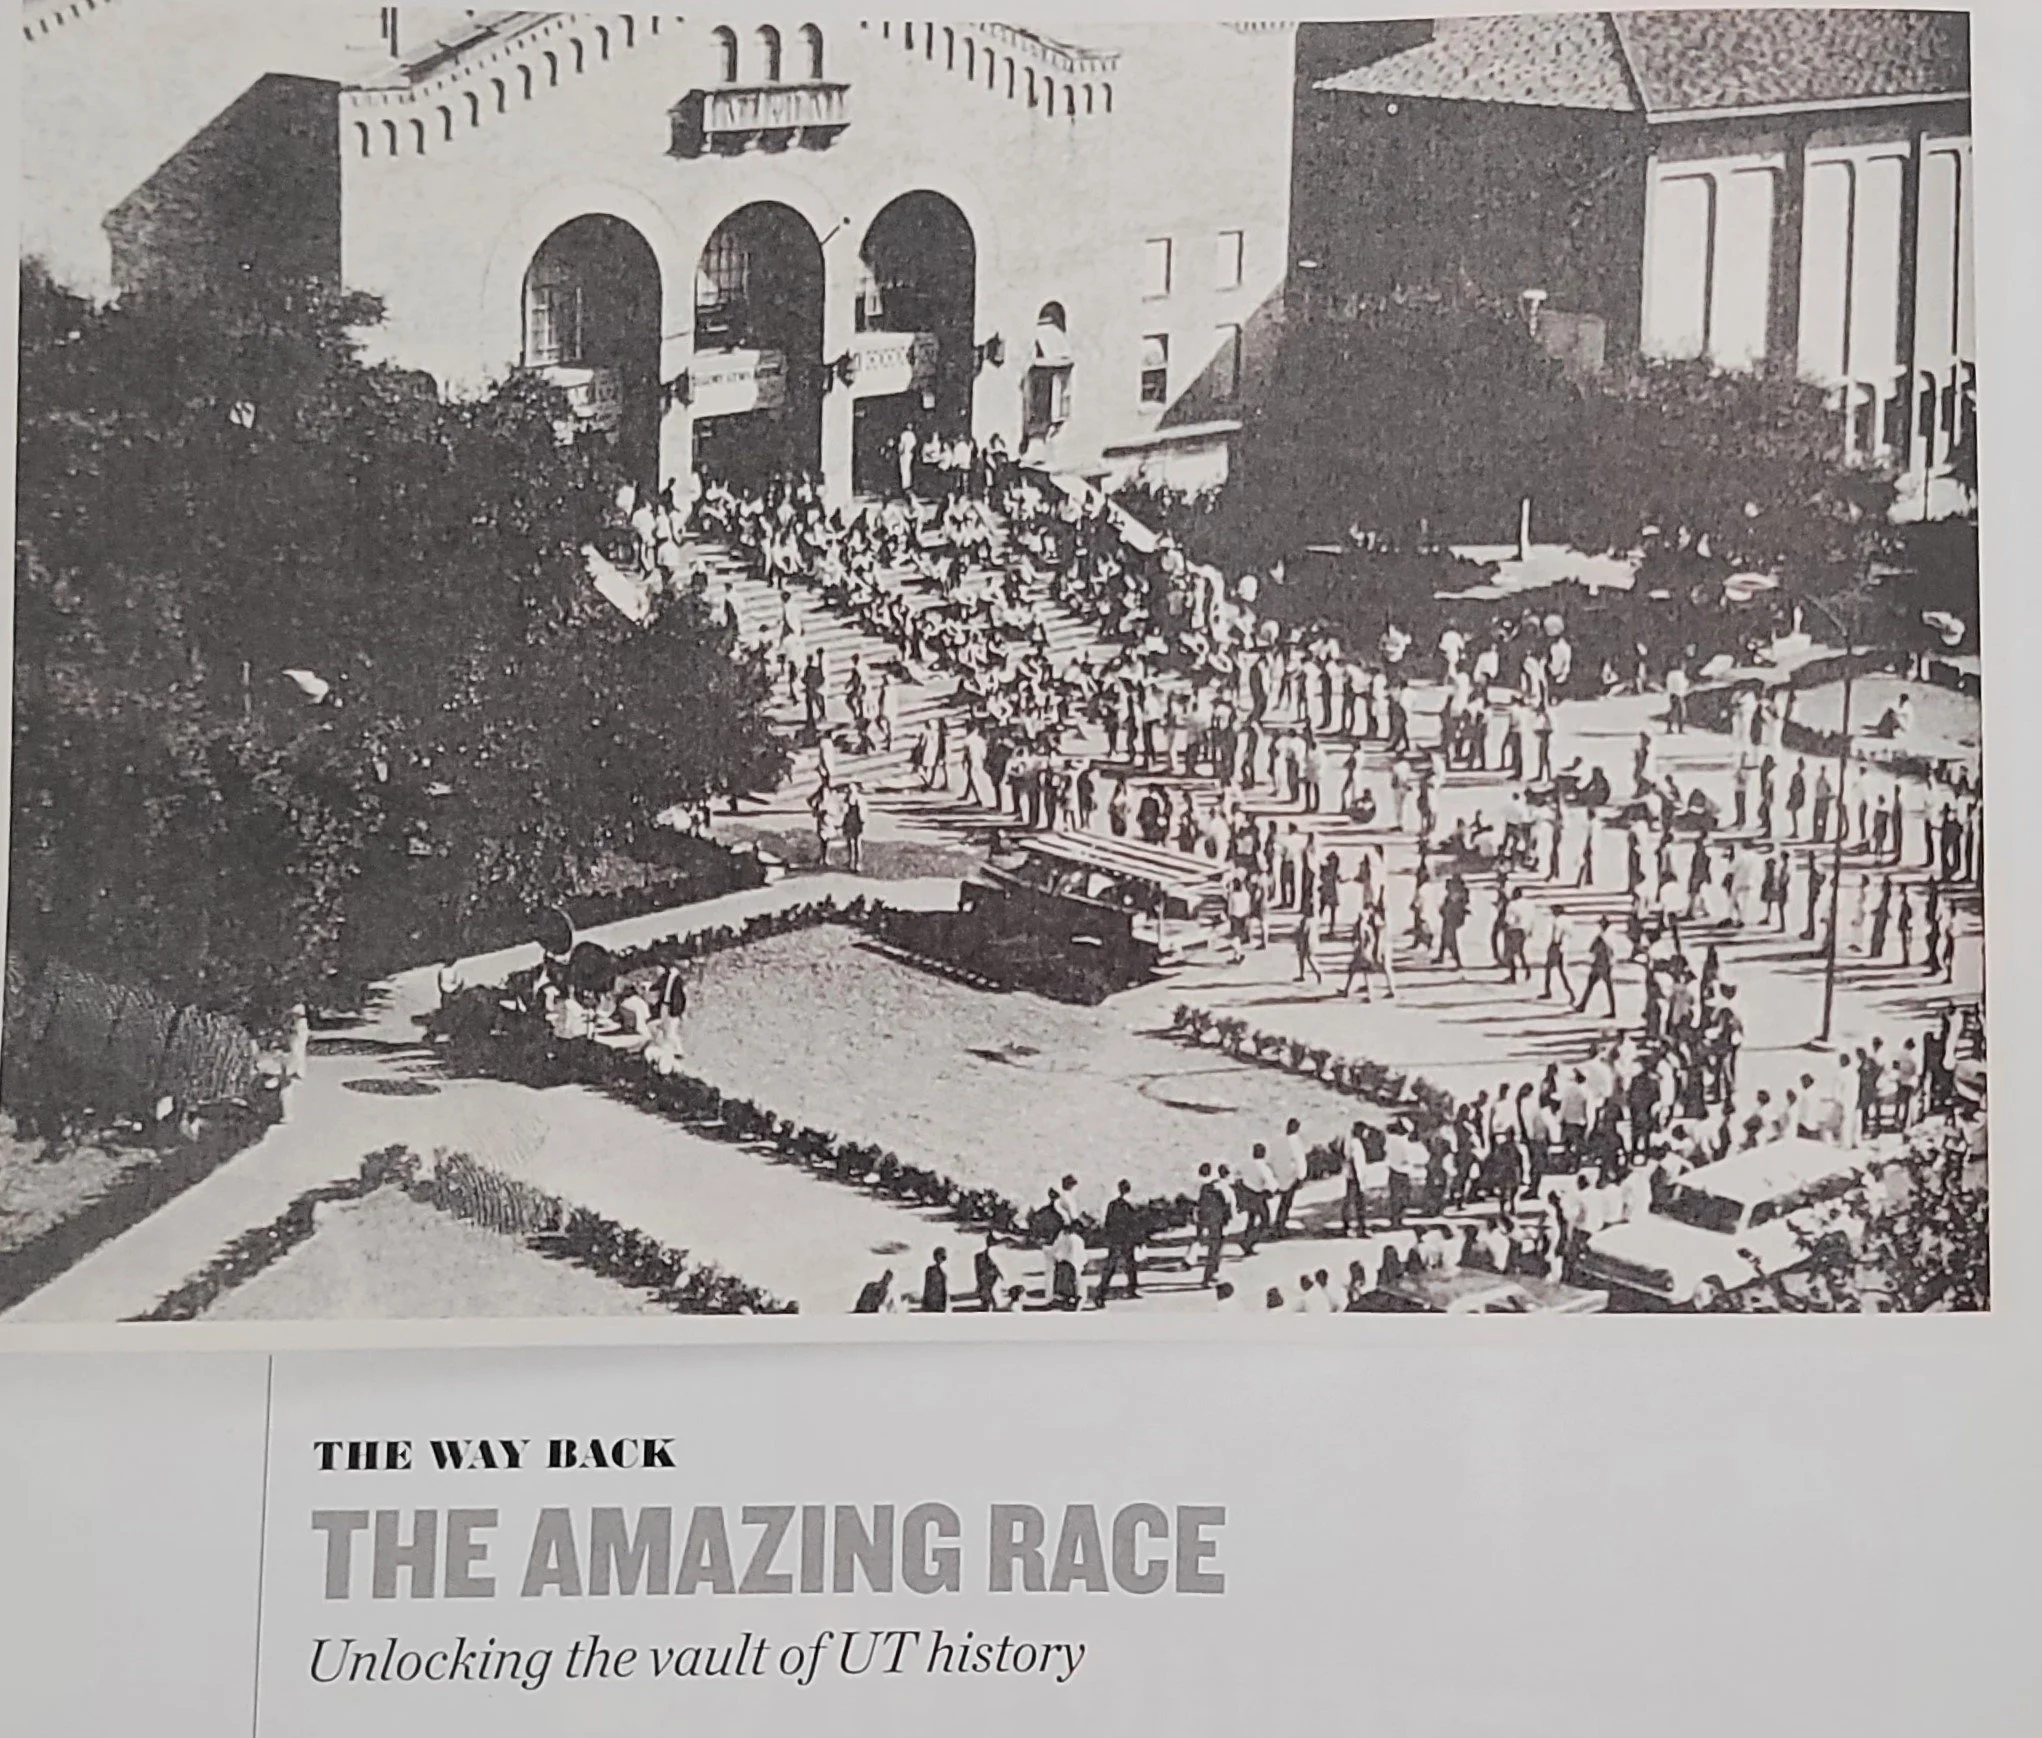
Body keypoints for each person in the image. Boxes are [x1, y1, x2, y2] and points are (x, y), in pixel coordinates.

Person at [1096, 1179, 1144, 1303]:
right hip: (1127, 1240)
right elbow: (1135, 1225)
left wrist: (1108, 1236)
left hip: (1115, 1239)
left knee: (1111, 1266)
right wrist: (1139, 1240)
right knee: (1130, 1265)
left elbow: (1107, 1222)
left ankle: (1102, 1291)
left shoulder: (1112, 1204)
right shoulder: (1131, 1206)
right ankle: (1132, 1289)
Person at [1195, 1163, 1231, 1286]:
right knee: (1214, 1251)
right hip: (1218, 1223)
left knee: (1214, 1250)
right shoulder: (1218, 1189)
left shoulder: (1204, 1189)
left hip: (1209, 1222)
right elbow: (1227, 1206)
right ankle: (1208, 1277)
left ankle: (1213, 1273)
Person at [973, 1234, 1004, 1311]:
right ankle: (989, 1304)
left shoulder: (989, 1253)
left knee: (987, 1290)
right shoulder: (983, 1255)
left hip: (989, 1276)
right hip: (987, 1276)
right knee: (987, 1291)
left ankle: (990, 1305)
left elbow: (993, 1266)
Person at [921, 1247, 950, 1313]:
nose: (940, 1259)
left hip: (940, 1304)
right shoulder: (930, 1270)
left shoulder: (942, 1271)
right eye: (940, 1256)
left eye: (943, 1257)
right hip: (932, 1304)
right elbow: (928, 1288)